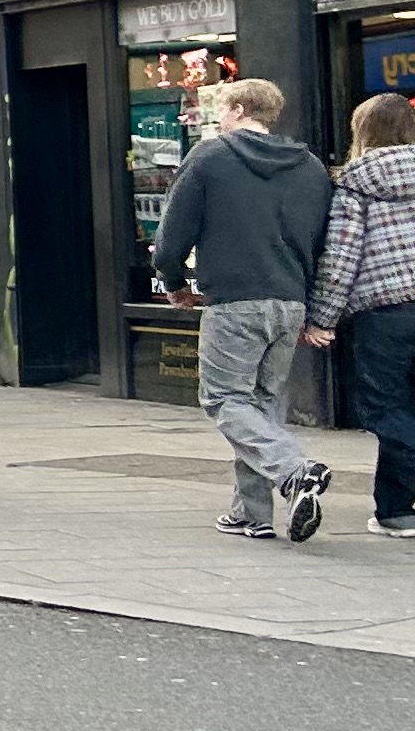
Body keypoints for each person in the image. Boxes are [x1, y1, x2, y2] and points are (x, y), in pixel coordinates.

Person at [154, 76, 339, 543]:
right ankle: (252, 514)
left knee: (224, 399)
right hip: (290, 300)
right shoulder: (310, 166)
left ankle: (296, 471)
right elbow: (323, 244)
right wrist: (313, 307)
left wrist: (174, 283)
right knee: (260, 405)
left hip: (235, 300)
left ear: (238, 108)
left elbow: (172, 233)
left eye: (222, 108)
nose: (220, 117)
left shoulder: (210, 157)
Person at [307, 93, 415, 540]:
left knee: (388, 408)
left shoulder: (355, 184)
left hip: (385, 314)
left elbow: (341, 259)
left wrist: (322, 318)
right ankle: (395, 509)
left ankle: (396, 510)